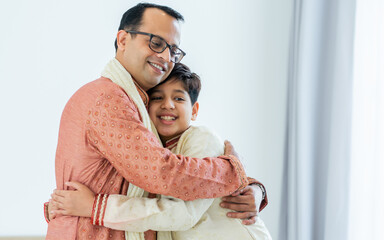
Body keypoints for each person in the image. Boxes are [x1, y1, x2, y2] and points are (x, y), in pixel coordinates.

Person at [46, 3, 267, 240]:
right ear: (122, 40)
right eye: (156, 43)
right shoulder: (109, 99)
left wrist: (252, 187)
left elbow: (169, 164)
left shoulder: (138, 106)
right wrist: (231, 169)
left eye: (173, 49)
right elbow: (161, 172)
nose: (165, 56)